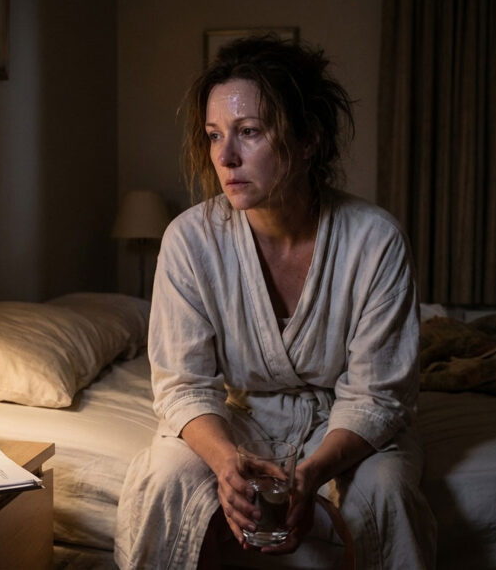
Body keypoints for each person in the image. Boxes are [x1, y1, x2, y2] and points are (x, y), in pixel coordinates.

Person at [114, 35, 436, 569]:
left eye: (249, 132)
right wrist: (225, 464)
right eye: (215, 135)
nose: (225, 156)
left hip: (345, 423)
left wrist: (312, 473)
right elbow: (183, 384)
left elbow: (379, 394)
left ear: (308, 139)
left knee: (386, 491)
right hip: (235, 420)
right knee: (165, 476)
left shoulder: (374, 239)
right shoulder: (189, 240)